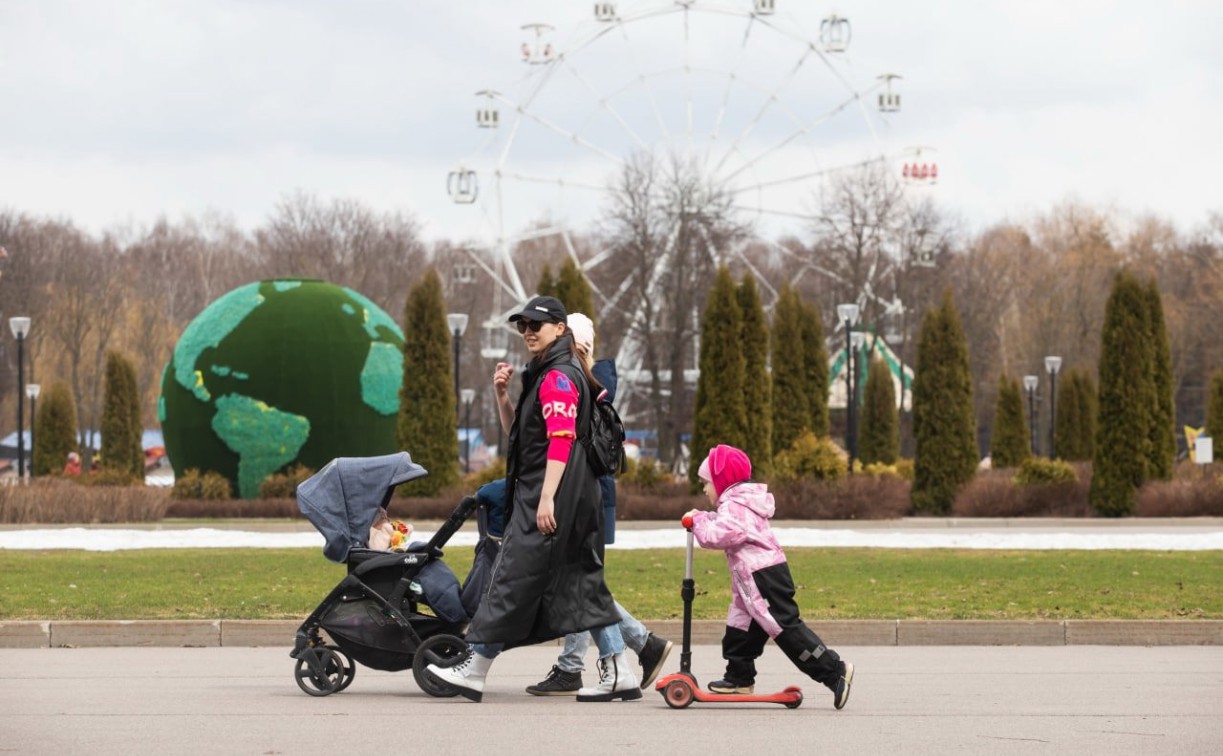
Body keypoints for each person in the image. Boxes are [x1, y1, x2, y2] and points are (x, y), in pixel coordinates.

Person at [426, 295, 639, 703]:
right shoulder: (545, 373)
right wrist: (503, 397)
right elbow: (523, 440)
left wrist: (545, 500)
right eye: (522, 326)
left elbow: (560, 441)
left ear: (560, 329)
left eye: (535, 325)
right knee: (579, 582)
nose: (527, 332)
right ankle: (620, 669)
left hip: (553, 496)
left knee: (512, 580)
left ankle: (476, 668)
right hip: (566, 495)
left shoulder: (558, 375)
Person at [525, 313, 673, 696]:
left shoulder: (584, 380)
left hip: (581, 497)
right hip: (588, 496)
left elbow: (563, 443)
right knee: (579, 581)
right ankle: (596, 658)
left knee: (581, 582)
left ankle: (630, 648)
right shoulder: (589, 377)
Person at [684, 444, 855, 710]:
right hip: (751, 579)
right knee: (740, 627)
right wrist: (703, 517)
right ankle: (739, 677)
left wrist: (697, 524)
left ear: (723, 480)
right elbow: (722, 523)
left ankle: (835, 670)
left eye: (706, 483)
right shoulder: (737, 503)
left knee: (785, 630)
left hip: (763, 577)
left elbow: (717, 535)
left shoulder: (735, 505)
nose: (704, 489)